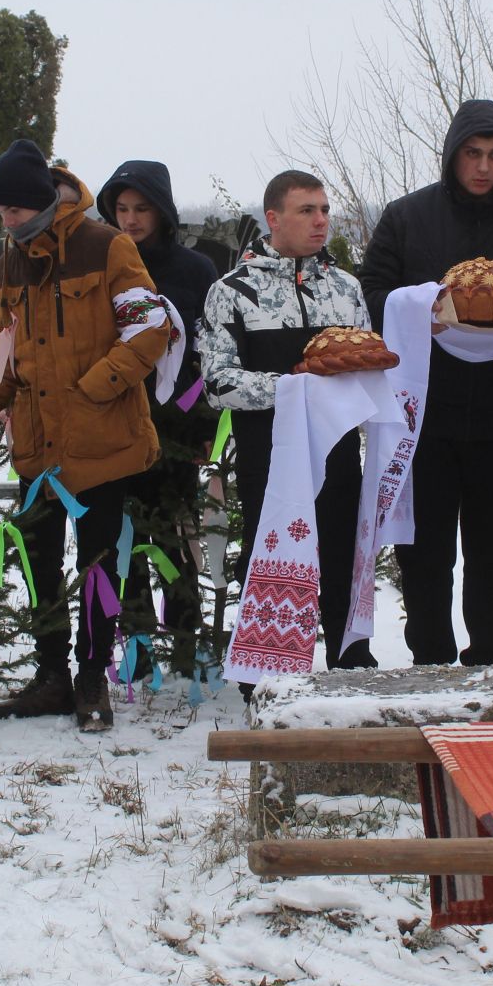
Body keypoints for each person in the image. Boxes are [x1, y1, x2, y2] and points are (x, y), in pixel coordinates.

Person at [0, 141, 173, 730]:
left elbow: (150, 329)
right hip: (34, 448)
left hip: (99, 442)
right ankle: (51, 675)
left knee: (99, 563)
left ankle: (90, 680)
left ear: (44, 202)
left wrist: (97, 387)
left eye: (13, 210)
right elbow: (8, 354)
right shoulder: (9, 265)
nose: (5, 221)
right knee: (39, 562)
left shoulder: (107, 246)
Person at [359, 100, 493, 665]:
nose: (483, 168)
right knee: (424, 549)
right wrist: (417, 311)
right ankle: (430, 655)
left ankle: (490, 649)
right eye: (472, 154)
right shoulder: (406, 217)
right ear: (452, 155)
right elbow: (372, 292)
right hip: (425, 415)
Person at [197, 169, 375, 673]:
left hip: (338, 455)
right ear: (273, 219)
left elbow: (365, 363)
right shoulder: (231, 292)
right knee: (269, 558)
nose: (320, 221)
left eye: (324, 210)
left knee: (341, 554)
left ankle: (352, 663)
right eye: (306, 211)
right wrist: (291, 386)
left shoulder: (345, 288)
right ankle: (267, 674)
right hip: (268, 461)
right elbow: (217, 382)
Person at [96, 160, 219, 677]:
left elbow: (209, 351)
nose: (130, 219)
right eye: (121, 209)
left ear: (162, 210)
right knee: (128, 539)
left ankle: (188, 647)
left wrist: (199, 425)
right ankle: (140, 648)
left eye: (141, 208)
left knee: (178, 536)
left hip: (177, 429)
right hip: (120, 422)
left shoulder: (195, 270)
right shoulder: (104, 266)